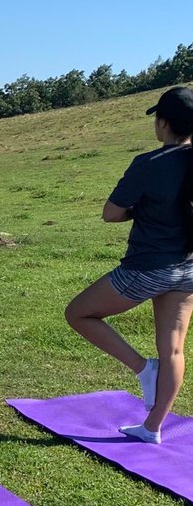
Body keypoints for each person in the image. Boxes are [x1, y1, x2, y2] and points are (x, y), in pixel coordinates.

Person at [63, 87, 193, 443]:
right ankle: (152, 428)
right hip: (189, 269)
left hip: (147, 268)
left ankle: (143, 368)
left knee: (78, 313)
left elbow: (111, 214)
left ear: (163, 123)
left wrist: (142, 212)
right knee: (175, 349)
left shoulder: (149, 164)